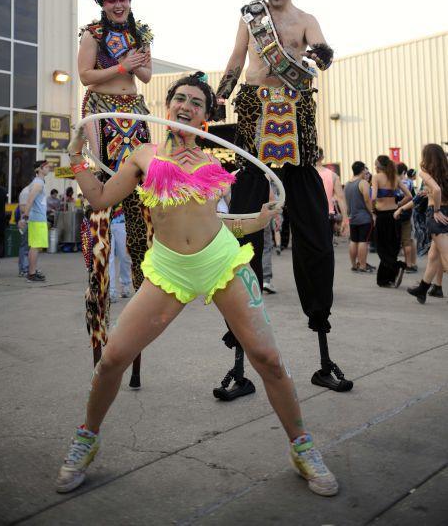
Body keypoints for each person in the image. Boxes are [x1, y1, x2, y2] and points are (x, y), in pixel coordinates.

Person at [56, 72, 339, 498]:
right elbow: (99, 199)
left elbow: (220, 222)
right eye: (180, 99)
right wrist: (77, 159)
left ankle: (303, 447)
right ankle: (86, 439)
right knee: (113, 357)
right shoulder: (143, 156)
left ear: (205, 117)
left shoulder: (213, 162)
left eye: (196, 103)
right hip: (169, 269)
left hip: (221, 262)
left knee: (268, 358)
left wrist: (260, 220)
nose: (186, 106)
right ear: (168, 105)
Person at [198, 0, 352, 395]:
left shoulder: (306, 17)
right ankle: (237, 362)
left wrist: (324, 56)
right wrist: (219, 92)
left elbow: (324, 55)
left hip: (298, 127)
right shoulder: (250, 17)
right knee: (242, 236)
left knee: (313, 238)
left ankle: (323, 348)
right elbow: (237, 61)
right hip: (253, 124)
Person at [59, 0, 154, 381]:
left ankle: (136, 339)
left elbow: (149, 79)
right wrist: (123, 66)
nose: (118, 1)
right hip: (101, 116)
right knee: (101, 209)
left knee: (141, 213)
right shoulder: (92, 32)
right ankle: (100, 337)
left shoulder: (140, 31)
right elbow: (84, 76)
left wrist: (140, 64)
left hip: (135, 117)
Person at [403, 144, 448, 302]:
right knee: (433, 255)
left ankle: (424, 289)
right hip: (445, 214)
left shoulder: (425, 172)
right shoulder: (445, 171)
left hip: (436, 216)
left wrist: (436, 210)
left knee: (445, 256)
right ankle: (423, 289)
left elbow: (436, 190)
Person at [371, 155, 411, 288]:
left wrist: (373, 209)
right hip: (394, 216)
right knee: (392, 248)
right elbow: (409, 196)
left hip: (382, 216)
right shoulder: (396, 177)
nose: (374, 166)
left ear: (379, 166)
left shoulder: (376, 177)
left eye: (375, 164)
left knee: (382, 248)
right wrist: (398, 204)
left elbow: (373, 197)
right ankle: (387, 279)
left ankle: (398, 266)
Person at [344, 161, 375, 273]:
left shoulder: (347, 184)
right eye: (365, 169)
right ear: (362, 170)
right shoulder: (363, 183)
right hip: (364, 218)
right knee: (363, 241)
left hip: (352, 217)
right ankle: (362, 266)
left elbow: (346, 201)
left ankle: (354, 265)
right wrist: (372, 212)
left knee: (353, 241)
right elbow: (367, 199)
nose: (366, 171)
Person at [23, 160, 50, 283]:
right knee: (35, 247)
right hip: (37, 220)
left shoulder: (38, 182)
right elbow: (29, 200)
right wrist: (25, 217)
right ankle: (31, 274)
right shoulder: (38, 183)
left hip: (37, 219)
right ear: (39, 169)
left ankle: (32, 272)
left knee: (34, 247)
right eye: (46, 166)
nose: (49, 168)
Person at [315, 149, 348, 238]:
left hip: (310, 214)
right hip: (328, 214)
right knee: (327, 244)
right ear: (322, 157)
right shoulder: (333, 175)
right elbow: (340, 197)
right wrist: (345, 219)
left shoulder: (305, 174)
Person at [395, 162, 417, 272]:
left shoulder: (392, 182)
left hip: (394, 214)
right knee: (407, 240)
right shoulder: (409, 182)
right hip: (406, 214)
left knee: (396, 241)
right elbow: (412, 197)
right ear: (404, 172)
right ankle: (409, 264)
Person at [108, 214, 132, 302]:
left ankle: (125, 285)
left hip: (122, 222)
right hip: (104, 222)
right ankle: (111, 291)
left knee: (125, 256)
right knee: (108, 258)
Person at [16, 182, 31, 277]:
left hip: (30, 222)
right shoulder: (26, 192)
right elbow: (22, 208)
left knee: (28, 247)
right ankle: (24, 269)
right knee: (25, 247)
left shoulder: (30, 190)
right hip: (26, 222)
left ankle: (26, 268)